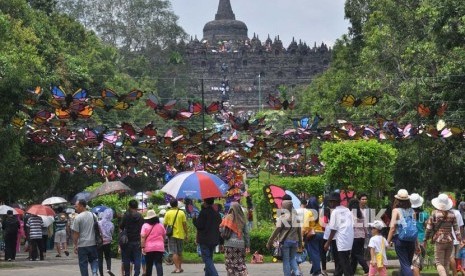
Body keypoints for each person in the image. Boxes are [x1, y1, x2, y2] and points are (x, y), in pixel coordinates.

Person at [424, 193, 462, 276]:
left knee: (439, 263)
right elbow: (456, 229)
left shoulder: (434, 214)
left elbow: (429, 228)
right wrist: (460, 239)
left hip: (439, 240)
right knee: (446, 262)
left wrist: (425, 239)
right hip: (450, 240)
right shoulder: (452, 214)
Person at [267, 197, 303, 276]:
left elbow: (276, 232)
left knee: (286, 260)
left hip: (285, 242)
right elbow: (299, 232)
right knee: (293, 259)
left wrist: (269, 242)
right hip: (295, 242)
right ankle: (297, 273)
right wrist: (300, 243)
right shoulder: (296, 218)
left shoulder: (282, 218)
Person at [324, 191, 354, 276]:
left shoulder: (335, 212)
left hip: (341, 240)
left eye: (331, 201)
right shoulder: (347, 210)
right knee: (341, 263)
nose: (330, 203)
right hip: (348, 239)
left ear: (336, 201)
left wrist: (327, 243)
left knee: (344, 263)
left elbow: (333, 229)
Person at [386, 189, 415, 276]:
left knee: (405, 265)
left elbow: (392, 228)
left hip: (400, 239)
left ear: (397, 200)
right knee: (407, 264)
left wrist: (387, 241)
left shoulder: (396, 211)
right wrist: (417, 244)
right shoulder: (412, 211)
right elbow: (414, 228)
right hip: (411, 240)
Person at [219, 201, 250, 276]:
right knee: (240, 264)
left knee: (230, 264)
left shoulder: (227, 217)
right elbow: (246, 234)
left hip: (229, 245)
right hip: (240, 245)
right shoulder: (242, 219)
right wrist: (248, 245)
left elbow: (221, 229)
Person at [193, 197, 222, 276]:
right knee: (209, 257)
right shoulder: (217, 214)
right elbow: (220, 227)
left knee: (207, 259)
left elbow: (199, 226)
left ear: (205, 202)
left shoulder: (203, 212)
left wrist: (194, 220)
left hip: (204, 240)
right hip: (214, 240)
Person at [72, 199, 99, 276]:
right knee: (94, 260)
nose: (75, 208)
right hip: (93, 243)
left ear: (81, 206)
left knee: (83, 264)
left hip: (82, 245)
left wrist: (75, 245)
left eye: (76, 206)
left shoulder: (78, 218)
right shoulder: (94, 215)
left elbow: (76, 233)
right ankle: (94, 273)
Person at [120, 199, 144, 276]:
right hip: (137, 241)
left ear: (129, 206)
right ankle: (136, 273)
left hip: (127, 241)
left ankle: (127, 274)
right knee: (137, 258)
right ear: (136, 206)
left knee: (126, 259)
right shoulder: (140, 216)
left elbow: (121, 227)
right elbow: (142, 228)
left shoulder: (126, 215)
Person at [164, 199, 188, 274]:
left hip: (171, 235)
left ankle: (177, 268)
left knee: (174, 252)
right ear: (177, 204)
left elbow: (164, 224)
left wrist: (164, 233)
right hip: (180, 234)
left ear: (170, 205)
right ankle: (179, 267)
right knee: (180, 252)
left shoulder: (168, 213)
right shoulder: (181, 213)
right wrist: (186, 234)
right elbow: (184, 225)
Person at [303, 196, 324, 276]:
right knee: (317, 253)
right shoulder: (319, 212)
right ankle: (315, 270)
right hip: (321, 234)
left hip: (313, 235)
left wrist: (302, 235)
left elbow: (305, 226)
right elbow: (322, 224)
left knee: (313, 253)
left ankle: (318, 271)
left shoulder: (309, 212)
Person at [141, 209, 166, 276]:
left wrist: (143, 247)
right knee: (159, 263)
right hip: (159, 247)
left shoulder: (145, 225)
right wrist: (162, 242)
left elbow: (143, 237)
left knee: (149, 264)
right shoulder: (160, 225)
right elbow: (164, 235)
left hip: (149, 248)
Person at [349, 198, 369, 275]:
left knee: (357, 254)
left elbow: (352, 226)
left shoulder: (351, 213)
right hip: (362, 236)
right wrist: (366, 234)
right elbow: (364, 225)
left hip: (355, 237)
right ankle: (351, 273)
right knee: (354, 257)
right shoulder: (360, 213)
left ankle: (366, 269)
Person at [409, 193, 428, 276]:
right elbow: (427, 227)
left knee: (414, 263)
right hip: (422, 238)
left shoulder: (408, 214)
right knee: (418, 263)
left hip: (410, 239)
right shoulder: (425, 214)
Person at [98, 208, 115, 276]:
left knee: (100, 258)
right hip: (108, 242)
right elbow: (112, 233)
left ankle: (101, 274)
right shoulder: (111, 224)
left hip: (100, 242)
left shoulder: (99, 223)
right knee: (108, 257)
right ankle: (108, 269)